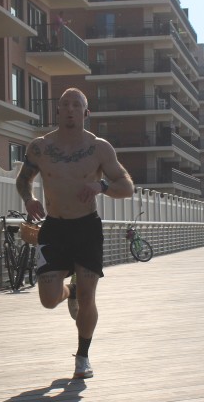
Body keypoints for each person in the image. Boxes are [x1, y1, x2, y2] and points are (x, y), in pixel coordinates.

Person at [16, 88, 134, 380]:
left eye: (76, 105)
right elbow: (23, 179)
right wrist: (29, 199)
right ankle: (69, 292)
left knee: (88, 295)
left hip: (86, 228)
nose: (70, 109)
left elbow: (126, 186)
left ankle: (82, 357)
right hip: (54, 228)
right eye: (65, 104)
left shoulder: (99, 148)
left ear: (86, 112)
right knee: (48, 299)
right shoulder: (40, 148)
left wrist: (101, 186)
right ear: (58, 111)